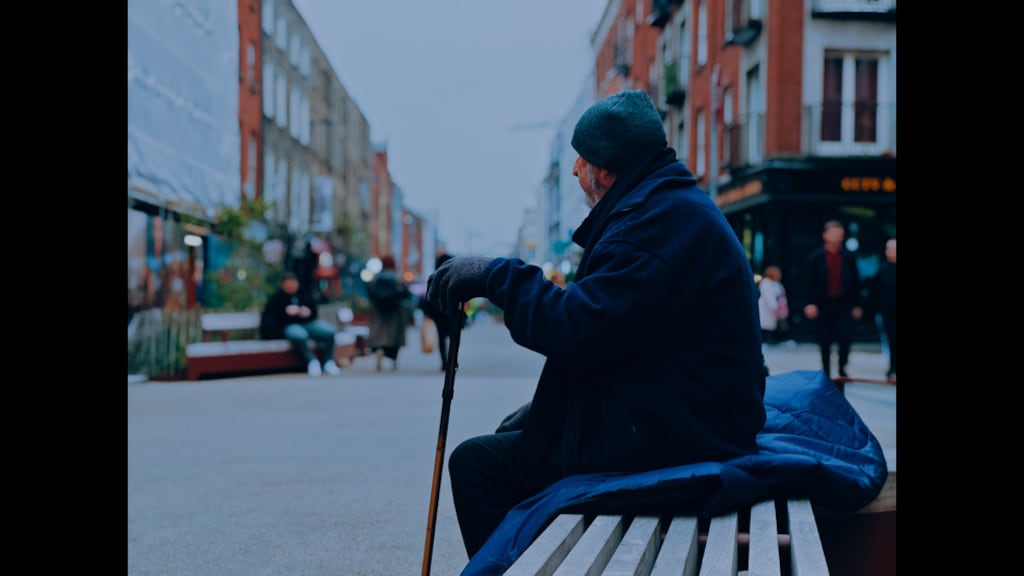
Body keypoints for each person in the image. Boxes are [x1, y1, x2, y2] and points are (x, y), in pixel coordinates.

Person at [425, 90, 767, 559]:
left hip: (681, 437)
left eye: (580, 159)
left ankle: (517, 568)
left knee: (476, 464)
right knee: (517, 442)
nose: (573, 170)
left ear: (605, 169)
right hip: (681, 415)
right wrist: (548, 410)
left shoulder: (654, 225)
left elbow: (577, 326)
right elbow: (619, 337)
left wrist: (494, 275)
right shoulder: (665, 209)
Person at [802, 220, 864, 378]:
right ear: (825, 235)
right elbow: (808, 282)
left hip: (844, 304)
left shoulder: (848, 257)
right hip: (823, 304)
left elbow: (856, 282)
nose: (838, 237)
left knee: (845, 336)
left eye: (840, 234)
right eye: (834, 233)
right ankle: (826, 370)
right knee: (824, 339)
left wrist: (857, 305)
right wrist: (809, 303)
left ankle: (842, 367)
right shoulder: (815, 258)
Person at [259, 271, 342, 377]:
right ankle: (312, 361)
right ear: (283, 285)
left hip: (308, 323)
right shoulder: (277, 298)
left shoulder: (304, 294)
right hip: (289, 325)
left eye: (293, 284)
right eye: (289, 284)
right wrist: (286, 313)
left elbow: (314, 310)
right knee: (298, 335)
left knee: (329, 332)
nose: (292, 287)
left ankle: (328, 361)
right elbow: (270, 318)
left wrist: (308, 312)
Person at [366, 254, 412, 371]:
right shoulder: (397, 278)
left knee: (380, 334)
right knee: (394, 336)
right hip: (395, 313)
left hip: (379, 313)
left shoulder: (376, 279)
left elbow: (370, 294)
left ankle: (380, 351)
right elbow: (406, 294)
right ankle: (394, 360)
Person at [419, 252, 456, 371]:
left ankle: (444, 362)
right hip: (452, 312)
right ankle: (452, 360)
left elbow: (429, 297)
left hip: (438, 313)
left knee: (441, 338)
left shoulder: (434, 277)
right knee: (454, 337)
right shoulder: (454, 278)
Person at [869, 238, 896, 381]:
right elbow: (875, 293)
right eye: (888, 249)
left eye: (893, 249)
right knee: (891, 340)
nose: (890, 252)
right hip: (888, 312)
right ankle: (893, 368)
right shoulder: (883, 270)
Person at [757, 265, 789, 345]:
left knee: (775, 325)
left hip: (777, 308)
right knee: (766, 325)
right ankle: (765, 340)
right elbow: (769, 297)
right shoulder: (766, 283)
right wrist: (774, 307)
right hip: (768, 309)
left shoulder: (776, 283)